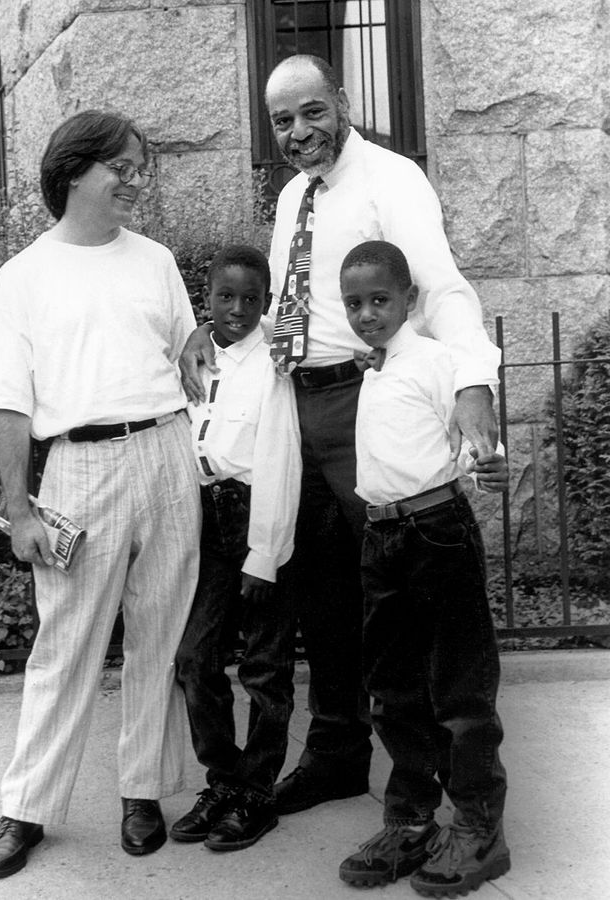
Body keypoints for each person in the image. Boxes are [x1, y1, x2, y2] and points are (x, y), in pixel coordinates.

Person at [180, 54, 502, 815]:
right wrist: (216, 329)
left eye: (312, 112)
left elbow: (442, 287)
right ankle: (337, 755)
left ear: (344, 101)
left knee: (412, 599)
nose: (299, 132)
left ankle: (457, 793)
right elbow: (293, 308)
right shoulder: (293, 196)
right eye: (283, 121)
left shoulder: (393, 180)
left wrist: (474, 383)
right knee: (325, 593)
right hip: (301, 410)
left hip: (372, 405)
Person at [0, 110, 201, 879]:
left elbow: (187, 355)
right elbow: (9, 404)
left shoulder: (157, 260)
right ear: (75, 173)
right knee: (64, 647)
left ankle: (142, 791)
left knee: (159, 633)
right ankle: (25, 809)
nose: (136, 182)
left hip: (165, 452)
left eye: (141, 168)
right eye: (122, 168)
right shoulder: (24, 276)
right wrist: (20, 508)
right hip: (79, 468)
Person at [336, 240, 510, 896]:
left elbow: (477, 434)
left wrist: (490, 461)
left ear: (409, 300)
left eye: (380, 300)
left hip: (437, 533)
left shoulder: (438, 360)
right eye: (354, 303)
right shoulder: (374, 367)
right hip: (383, 541)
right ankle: (410, 822)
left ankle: (478, 826)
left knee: (459, 688)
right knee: (394, 689)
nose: (367, 313)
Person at [171, 245, 302, 851]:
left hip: (259, 517)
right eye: (225, 296)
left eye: (252, 297)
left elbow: (281, 458)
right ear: (208, 296)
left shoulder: (274, 357)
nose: (238, 309)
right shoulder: (195, 355)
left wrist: (265, 552)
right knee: (196, 657)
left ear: (267, 299)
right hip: (205, 518)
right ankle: (223, 778)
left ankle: (256, 792)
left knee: (265, 668)